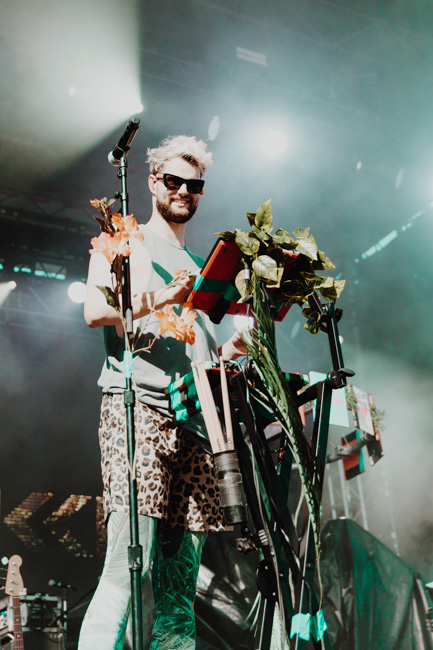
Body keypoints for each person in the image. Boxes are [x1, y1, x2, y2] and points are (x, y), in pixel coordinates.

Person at [78, 135, 245, 649]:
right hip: (138, 412)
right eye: (173, 181)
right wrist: (163, 295)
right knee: (127, 567)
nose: (183, 191)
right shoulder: (122, 237)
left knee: (180, 591)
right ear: (152, 182)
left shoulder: (203, 263)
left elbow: (201, 355)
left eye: (194, 185)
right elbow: (94, 311)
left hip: (194, 425)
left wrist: (234, 348)